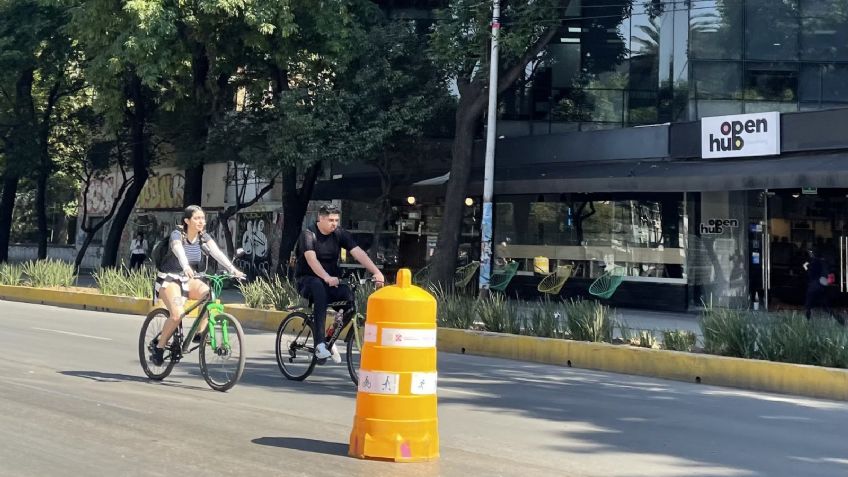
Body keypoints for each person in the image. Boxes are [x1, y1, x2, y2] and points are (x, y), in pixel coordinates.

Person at [150, 205, 245, 366]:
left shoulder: (203, 237)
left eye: (202, 218)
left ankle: (200, 332)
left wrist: (232, 269)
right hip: (169, 279)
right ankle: (159, 347)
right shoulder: (177, 235)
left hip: (188, 279)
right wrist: (186, 266)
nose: (201, 221)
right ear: (187, 220)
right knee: (177, 314)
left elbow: (217, 253)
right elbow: (177, 249)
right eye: (197, 218)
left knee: (208, 294)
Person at [295, 204, 384, 362]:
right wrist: (326, 276)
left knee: (349, 298)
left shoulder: (339, 233)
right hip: (307, 281)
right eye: (330, 220)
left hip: (331, 282)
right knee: (318, 287)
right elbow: (311, 259)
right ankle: (320, 344)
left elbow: (358, 252)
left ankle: (330, 336)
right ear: (320, 218)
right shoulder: (308, 234)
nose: (334, 223)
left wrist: (376, 272)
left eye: (336, 220)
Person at [802, 248, 843, 324]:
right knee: (825, 306)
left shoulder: (812, 262)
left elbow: (807, 270)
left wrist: (805, 266)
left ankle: (807, 322)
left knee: (808, 306)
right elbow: (830, 273)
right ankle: (839, 319)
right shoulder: (825, 262)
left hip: (814, 285)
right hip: (822, 286)